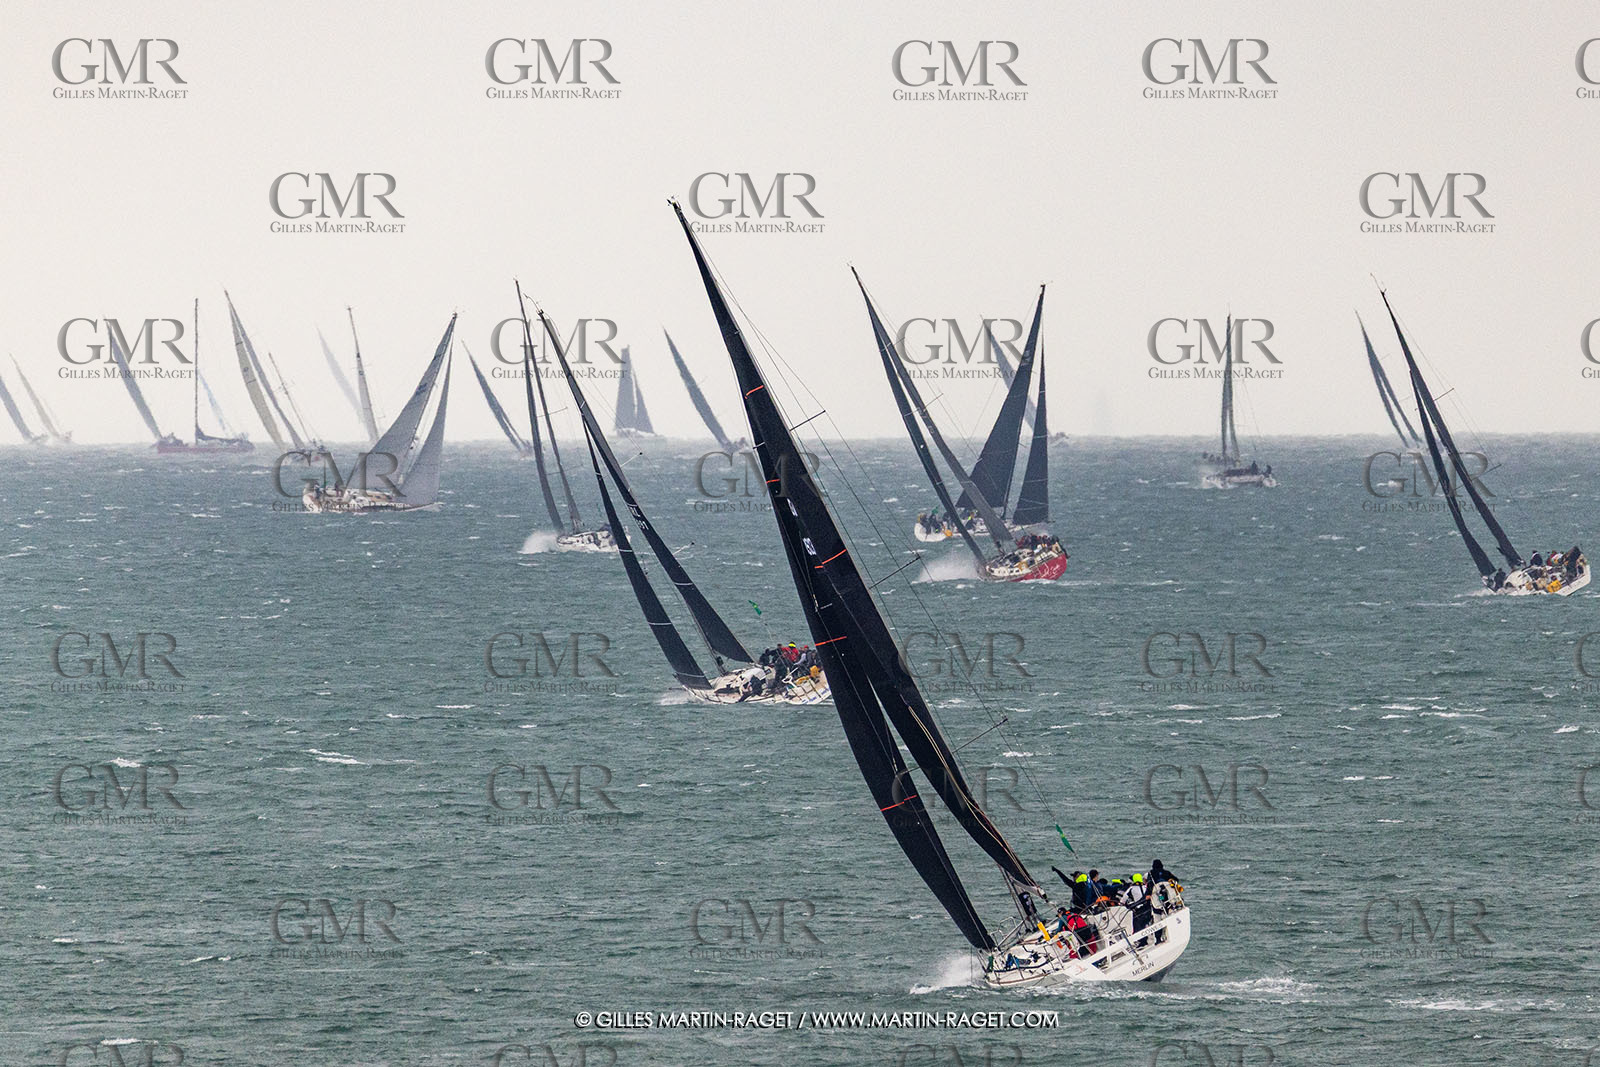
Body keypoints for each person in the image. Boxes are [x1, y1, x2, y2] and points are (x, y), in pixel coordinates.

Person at [1123, 873, 1151, 946]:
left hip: (1139, 909)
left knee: (1137, 925)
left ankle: (1142, 942)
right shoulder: (1146, 887)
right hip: (1148, 908)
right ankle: (1147, 939)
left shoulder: (1131, 888)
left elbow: (1123, 900)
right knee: (1144, 923)